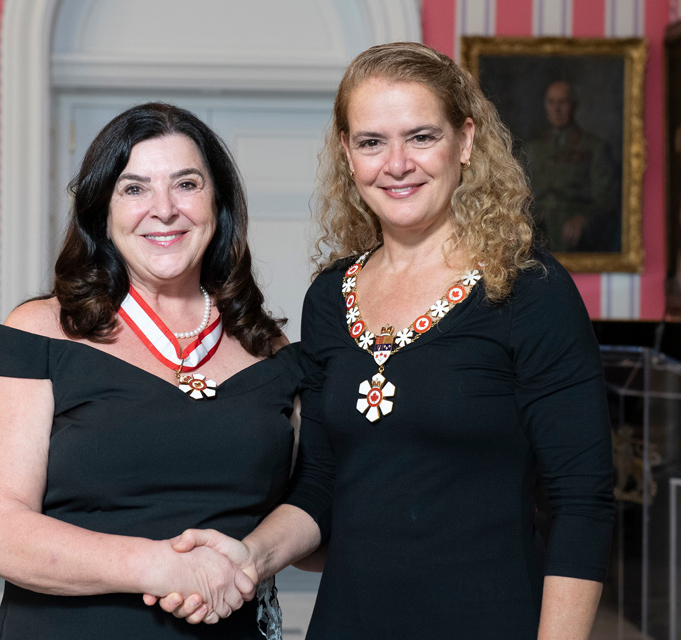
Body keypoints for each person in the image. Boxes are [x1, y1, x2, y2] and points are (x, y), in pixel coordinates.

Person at [155, 43, 615, 639]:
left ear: (466, 141)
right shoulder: (329, 297)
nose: (397, 164)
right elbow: (321, 484)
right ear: (348, 154)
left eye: (421, 137)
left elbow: (583, 503)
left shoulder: (529, 290)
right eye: (372, 142)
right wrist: (251, 558)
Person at [0, 102, 302, 639]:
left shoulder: (271, 349)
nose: (163, 210)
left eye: (186, 184)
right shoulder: (41, 331)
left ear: (219, 204)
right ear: (103, 211)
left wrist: (251, 560)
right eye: (134, 188)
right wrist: (163, 566)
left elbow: (315, 516)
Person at [526, 80, 619, 252]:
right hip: (535, 230)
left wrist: (584, 219)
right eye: (551, 102)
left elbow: (606, 199)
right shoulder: (533, 150)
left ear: (574, 106)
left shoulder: (595, 148)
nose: (556, 109)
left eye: (563, 102)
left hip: (574, 235)